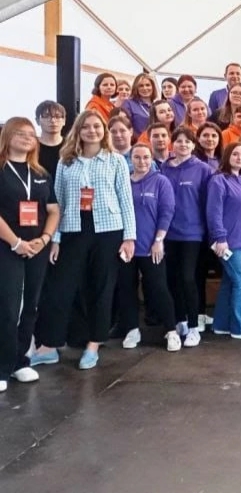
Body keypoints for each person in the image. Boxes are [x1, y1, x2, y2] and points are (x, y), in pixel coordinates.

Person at [29, 110, 136, 370]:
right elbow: (59, 202)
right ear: (78, 131)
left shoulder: (115, 160)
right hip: (73, 229)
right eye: (86, 126)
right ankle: (49, 346)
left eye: (97, 126)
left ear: (104, 130)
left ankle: (93, 345)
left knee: (101, 288)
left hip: (108, 230)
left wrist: (129, 237)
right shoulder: (66, 162)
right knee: (59, 288)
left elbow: (126, 200)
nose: (92, 131)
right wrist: (55, 238)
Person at [0, 118, 60, 391]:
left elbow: (53, 210)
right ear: (7, 136)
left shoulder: (40, 172)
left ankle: (20, 362)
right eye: (20, 133)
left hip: (36, 247)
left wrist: (45, 238)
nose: (27, 138)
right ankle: (2, 366)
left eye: (30, 134)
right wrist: (15, 243)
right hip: (7, 247)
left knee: (30, 305)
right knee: (8, 307)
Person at [117, 144, 180, 351]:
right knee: (126, 289)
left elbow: (167, 211)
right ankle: (132, 329)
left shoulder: (161, 181)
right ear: (131, 159)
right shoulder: (124, 181)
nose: (142, 161)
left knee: (158, 288)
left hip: (151, 246)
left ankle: (171, 331)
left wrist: (159, 240)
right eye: (137, 157)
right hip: (127, 247)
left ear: (151, 159)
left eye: (146, 157)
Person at [161, 127, 214, 345]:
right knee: (172, 278)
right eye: (179, 141)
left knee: (187, 278)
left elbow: (209, 202)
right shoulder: (164, 168)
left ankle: (194, 326)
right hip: (168, 233)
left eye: (187, 141)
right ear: (172, 144)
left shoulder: (203, 169)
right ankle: (180, 320)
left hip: (193, 233)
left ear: (194, 145)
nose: (183, 144)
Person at [207, 142, 241, 340]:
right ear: (227, 156)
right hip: (229, 242)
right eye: (235, 154)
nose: (239, 158)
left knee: (230, 282)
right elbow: (213, 212)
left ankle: (221, 324)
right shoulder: (218, 181)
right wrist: (220, 238)